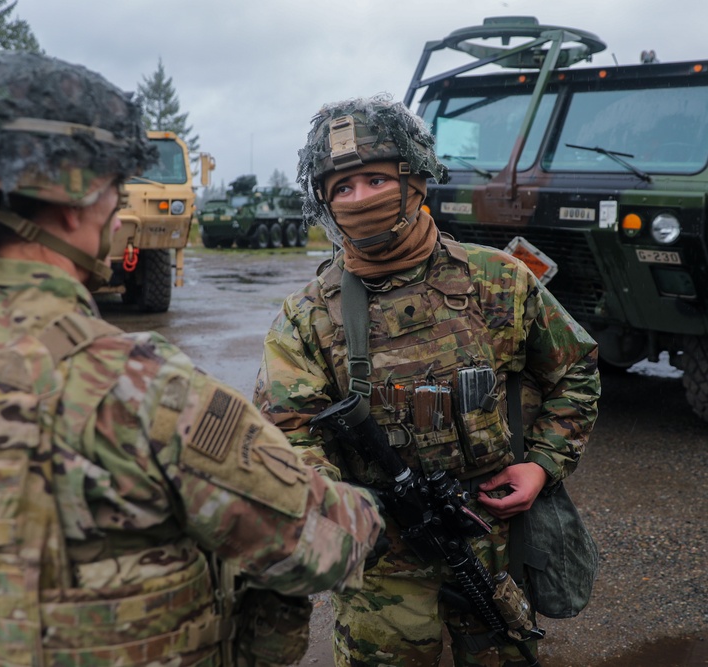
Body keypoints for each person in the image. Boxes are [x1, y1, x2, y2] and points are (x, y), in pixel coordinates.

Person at [0, 52, 384, 667]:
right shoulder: (141, 389)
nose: (120, 213)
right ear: (77, 204)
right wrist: (366, 504)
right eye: (116, 193)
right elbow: (320, 545)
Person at [252, 95, 601, 667]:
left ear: (413, 180)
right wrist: (342, 506)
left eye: (373, 179)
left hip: (488, 539)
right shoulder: (309, 315)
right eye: (341, 188)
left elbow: (575, 371)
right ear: (324, 204)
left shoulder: (497, 281)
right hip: (380, 557)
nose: (359, 198)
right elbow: (285, 433)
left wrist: (541, 463)